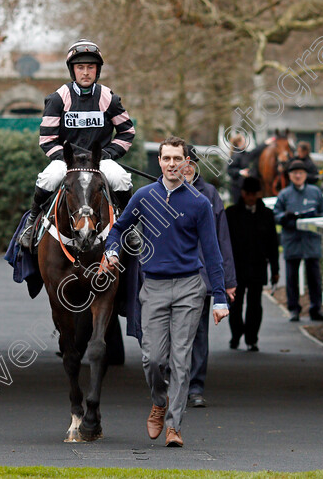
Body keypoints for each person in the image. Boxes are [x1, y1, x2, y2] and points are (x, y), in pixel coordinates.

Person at [103, 136, 228, 448]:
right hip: (154, 286)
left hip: (189, 287)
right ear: (158, 162)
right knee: (154, 359)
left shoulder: (199, 203)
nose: (172, 164)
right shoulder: (144, 197)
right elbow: (118, 228)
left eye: (177, 159)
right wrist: (113, 250)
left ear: (187, 163)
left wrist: (221, 297)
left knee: (181, 360)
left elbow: (212, 253)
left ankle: (174, 426)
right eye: (166, 158)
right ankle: (159, 403)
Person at [18, 39, 136, 249]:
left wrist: (108, 153)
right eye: (80, 67)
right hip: (67, 161)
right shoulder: (57, 99)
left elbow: (127, 132)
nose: (86, 72)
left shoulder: (109, 98)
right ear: (72, 70)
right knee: (49, 178)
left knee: (121, 179)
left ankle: (130, 228)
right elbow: (47, 139)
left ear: (97, 70)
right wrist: (66, 158)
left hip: (100, 161)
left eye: (91, 67)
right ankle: (31, 223)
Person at [182, 153, 236, 409]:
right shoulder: (159, 192)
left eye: (191, 164)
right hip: (169, 276)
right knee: (168, 335)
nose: (186, 168)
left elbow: (222, 238)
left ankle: (195, 387)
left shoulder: (209, 194)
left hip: (201, 276)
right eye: (182, 163)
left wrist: (227, 281)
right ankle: (173, 381)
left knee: (199, 334)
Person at [225, 177, 280, 351]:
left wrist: (275, 269)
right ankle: (236, 335)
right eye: (247, 193)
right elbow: (225, 243)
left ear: (258, 194)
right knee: (235, 304)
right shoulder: (232, 214)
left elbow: (273, 243)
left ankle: (251, 338)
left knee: (255, 305)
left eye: (253, 194)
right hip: (237, 267)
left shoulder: (266, 215)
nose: (250, 197)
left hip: (258, 266)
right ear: (242, 193)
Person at [273, 159, 323, 322]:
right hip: (292, 240)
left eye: (301, 173)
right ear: (290, 176)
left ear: (305, 175)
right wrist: (286, 217)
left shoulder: (315, 192)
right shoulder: (284, 194)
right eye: (294, 173)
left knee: (314, 277)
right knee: (291, 278)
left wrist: (315, 218)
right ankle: (293, 309)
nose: (298, 175)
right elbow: (276, 215)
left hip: (311, 240)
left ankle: (316, 308)